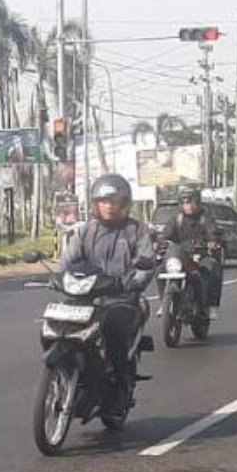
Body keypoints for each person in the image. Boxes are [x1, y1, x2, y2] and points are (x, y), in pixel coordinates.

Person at [59, 174, 155, 411]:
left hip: (122, 300)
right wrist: (60, 278)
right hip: (85, 299)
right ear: (95, 204)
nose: (109, 207)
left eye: (114, 201)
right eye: (104, 201)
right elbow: (68, 263)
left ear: (124, 204)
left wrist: (129, 283)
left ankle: (121, 387)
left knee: (113, 329)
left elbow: (146, 264)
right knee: (57, 324)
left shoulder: (136, 231)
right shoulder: (85, 232)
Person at [159, 184, 224, 320]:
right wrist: (160, 242)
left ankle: (212, 306)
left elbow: (212, 231)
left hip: (200, 254)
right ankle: (163, 302)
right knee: (160, 268)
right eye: (185, 202)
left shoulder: (205, 218)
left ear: (198, 202)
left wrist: (213, 242)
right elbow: (165, 235)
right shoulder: (176, 219)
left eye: (192, 201)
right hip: (180, 255)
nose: (189, 205)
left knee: (213, 270)